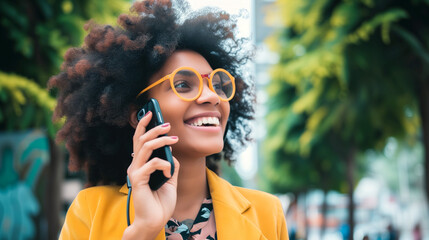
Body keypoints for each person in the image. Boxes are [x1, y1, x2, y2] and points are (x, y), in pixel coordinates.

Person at [49, 0, 289, 239]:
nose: (212, 97)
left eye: (216, 84)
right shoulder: (90, 211)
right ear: (139, 115)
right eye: (183, 84)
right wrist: (143, 231)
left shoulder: (267, 212)